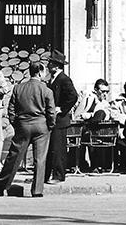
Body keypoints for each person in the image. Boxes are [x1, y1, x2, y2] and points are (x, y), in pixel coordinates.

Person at [0, 61, 55, 198]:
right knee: (40, 158)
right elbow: (51, 112)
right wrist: (49, 125)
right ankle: (37, 190)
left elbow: (11, 109)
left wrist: (16, 123)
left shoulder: (19, 88)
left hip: (23, 125)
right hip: (41, 125)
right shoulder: (47, 90)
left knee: (14, 156)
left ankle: (2, 183)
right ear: (40, 72)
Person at [44, 50, 78, 183]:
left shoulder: (64, 79)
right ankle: (46, 175)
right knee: (51, 148)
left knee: (58, 149)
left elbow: (73, 96)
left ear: (57, 66)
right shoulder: (53, 79)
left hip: (60, 120)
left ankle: (59, 175)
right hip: (53, 119)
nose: (48, 65)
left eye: (51, 63)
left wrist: (62, 108)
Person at [75, 78, 112, 172]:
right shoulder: (89, 99)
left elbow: (107, 116)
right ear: (96, 90)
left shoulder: (105, 104)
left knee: (100, 114)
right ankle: (88, 165)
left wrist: (90, 115)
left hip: (99, 130)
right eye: (103, 91)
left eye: (107, 92)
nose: (105, 94)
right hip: (84, 128)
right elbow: (78, 115)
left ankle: (96, 165)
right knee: (88, 135)